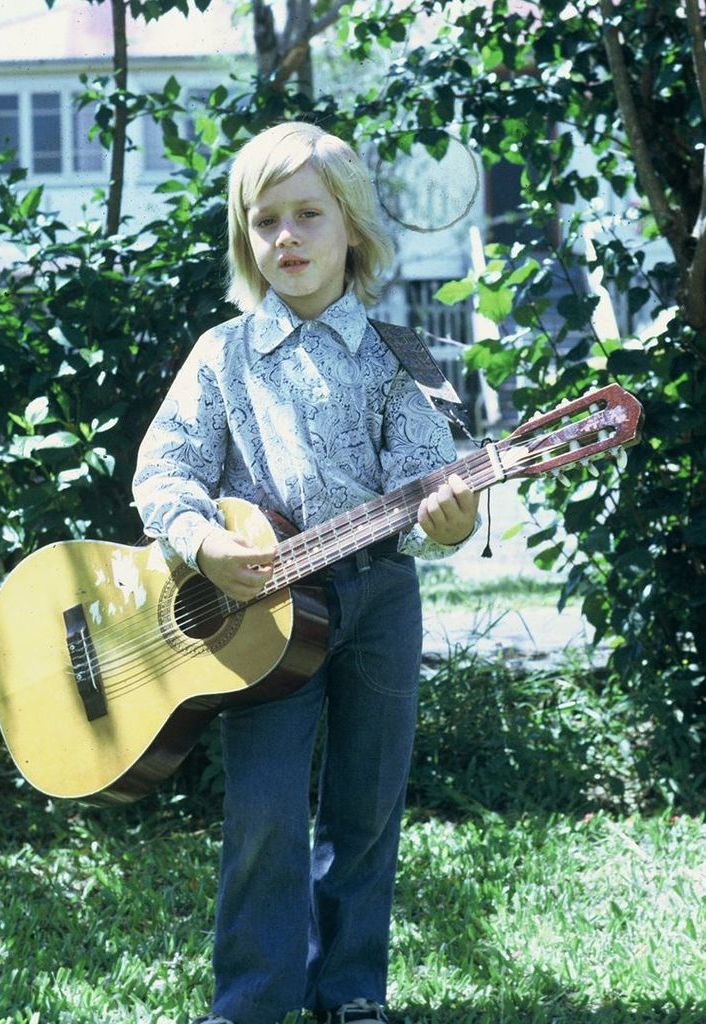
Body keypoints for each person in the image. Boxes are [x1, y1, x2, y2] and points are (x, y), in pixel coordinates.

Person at [132, 121, 480, 1024]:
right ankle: (251, 1000)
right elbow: (163, 471)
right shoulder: (225, 357)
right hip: (264, 615)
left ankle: (351, 991)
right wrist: (203, 543)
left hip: (376, 603)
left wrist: (457, 515)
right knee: (266, 815)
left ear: (353, 229)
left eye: (309, 216)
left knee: (365, 810)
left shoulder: (398, 356)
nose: (286, 237)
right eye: (265, 220)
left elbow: (435, 484)